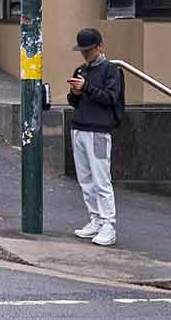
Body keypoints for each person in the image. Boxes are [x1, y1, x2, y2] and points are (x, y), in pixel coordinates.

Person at [67, 26, 125, 247]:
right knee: (86, 180)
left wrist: (87, 88)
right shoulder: (81, 70)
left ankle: (108, 224)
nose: (85, 54)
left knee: (101, 180)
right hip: (79, 128)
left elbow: (111, 98)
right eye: (82, 50)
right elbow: (74, 102)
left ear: (100, 47)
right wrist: (75, 92)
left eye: (88, 50)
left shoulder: (112, 71)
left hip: (99, 130)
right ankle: (96, 219)